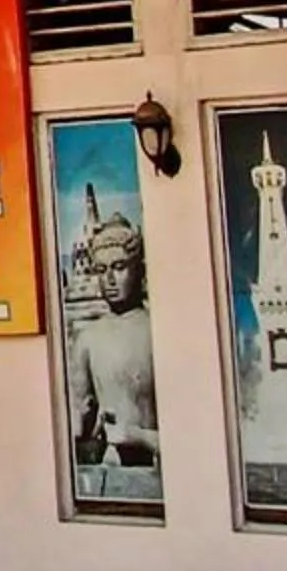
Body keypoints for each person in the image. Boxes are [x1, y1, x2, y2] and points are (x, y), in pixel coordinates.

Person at [67, 196, 160, 474]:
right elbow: (78, 420)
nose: (109, 279)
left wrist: (137, 436)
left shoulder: (157, 331)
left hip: (161, 470)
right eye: (101, 270)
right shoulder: (88, 339)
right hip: (110, 468)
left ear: (139, 269)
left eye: (119, 268)